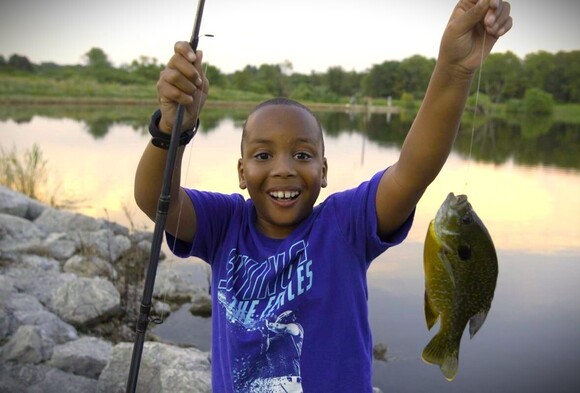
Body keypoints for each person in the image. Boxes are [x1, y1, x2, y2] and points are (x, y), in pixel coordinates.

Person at [134, 0, 512, 391]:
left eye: (302, 155)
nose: (284, 168)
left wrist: (454, 68)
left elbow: (413, 172)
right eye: (264, 155)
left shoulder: (344, 225)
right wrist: (171, 126)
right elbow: (156, 200)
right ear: (242, 173)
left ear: (324, 171)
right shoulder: (223, 224)